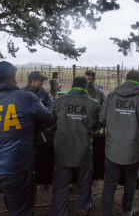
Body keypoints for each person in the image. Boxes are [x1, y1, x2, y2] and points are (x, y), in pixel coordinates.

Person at [0, 61, 54, 216]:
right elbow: (49, 119)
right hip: (16, 171)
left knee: (14, 199)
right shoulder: (26, 98)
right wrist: (31, 129)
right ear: (14, 79)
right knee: (21, 209)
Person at [100, 70, 139, 216]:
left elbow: (101, 119)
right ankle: (127, 208)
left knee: (109, 183)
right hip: (133, 150)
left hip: (113, 149)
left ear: (126, 80)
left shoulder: (112, 95)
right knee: (130, 180)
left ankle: (106, 213)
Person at [52, 76, 101, 216]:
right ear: (86, 87)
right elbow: (97, 124)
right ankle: (83, 207)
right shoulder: (93, 103)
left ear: (73, 86)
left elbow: (51, 119)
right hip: (83, 150)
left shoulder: (59, 101)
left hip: (62, 150)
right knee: (84, 180)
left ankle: (60, 212)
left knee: (60, 185)